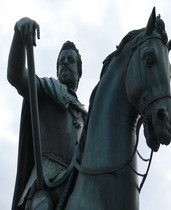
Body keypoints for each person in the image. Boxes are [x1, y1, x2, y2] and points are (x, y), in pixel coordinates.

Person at [7, 17, 87, 210]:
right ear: (57, 69)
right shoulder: (45, 89)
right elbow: (15, 75)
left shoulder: (86, 116)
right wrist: (19, 31)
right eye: (62, 61)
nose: (65, 63)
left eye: (71, 61)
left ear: (79, 71)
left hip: (78, 182)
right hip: (47, 181)